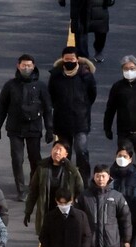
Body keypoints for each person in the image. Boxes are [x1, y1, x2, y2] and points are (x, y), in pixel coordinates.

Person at [0, 54, 54, 202]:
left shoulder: (41, 86)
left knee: (35, 159)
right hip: (15, 128)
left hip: (34, 128)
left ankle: (34, 186)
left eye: (29, 65)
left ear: (33, 66)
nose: (26, 68)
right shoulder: (10, 86)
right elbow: (2, 106)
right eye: (23, 65)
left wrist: (49, 129)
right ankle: (21, 189)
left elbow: (48, 108)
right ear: (18, 66)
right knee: (17, 159)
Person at [48, 46, 97, 183]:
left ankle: (84, 180)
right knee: (63, 153)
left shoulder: (85, 75)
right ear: (62, 59)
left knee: (81, 150)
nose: (69, 61)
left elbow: (92, 95)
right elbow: (51, 94)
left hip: (81, 121)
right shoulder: (56, 75)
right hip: (61, 121)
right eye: (66, 59)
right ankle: (64, 179)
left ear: (77, 60)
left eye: (72, 59)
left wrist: (82, 106)